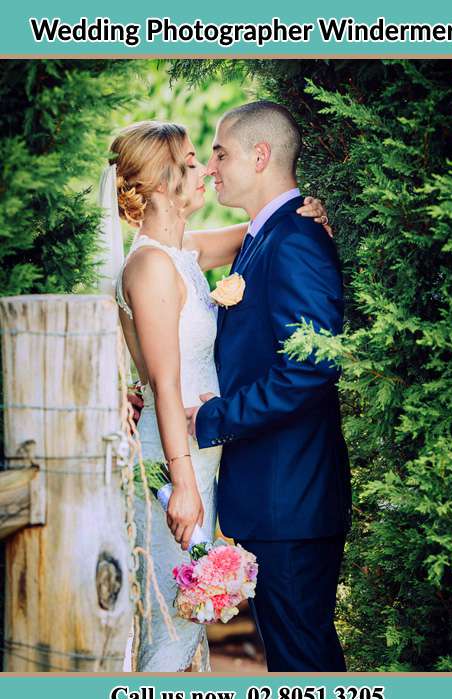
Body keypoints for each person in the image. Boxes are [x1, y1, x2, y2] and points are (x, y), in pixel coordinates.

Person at [99, 119, 330, 671]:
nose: (205, 169)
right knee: (173, 626)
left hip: (204, 453)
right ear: (159, 184)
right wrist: (181, 483)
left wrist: (314, 212)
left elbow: (263, 237)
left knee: (187, 622)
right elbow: (166, 383)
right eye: (192, 160)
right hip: (178, 461)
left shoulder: (182, 252)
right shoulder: (151, 265)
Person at [185, 101, 352, 672]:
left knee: (305, 665)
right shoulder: (265, 235)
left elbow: (309, 368)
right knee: (292, 662)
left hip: (293, 500)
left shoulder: (296, 240)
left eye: (221, 153)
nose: (212, 167)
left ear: (260, 156)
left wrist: (213, 418)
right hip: (277, 500)